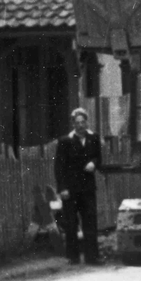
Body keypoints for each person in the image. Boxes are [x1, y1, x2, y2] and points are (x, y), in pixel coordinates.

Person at [53, 107, 104, 265]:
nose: (80, 125)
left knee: (90, 221)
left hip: (88, 188)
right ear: (73, 124)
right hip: (71, 188)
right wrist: (62, 189)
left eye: (83, 122)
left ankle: (92, 257)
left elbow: (99, 158)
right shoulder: (65, 141)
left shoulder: (94, 138)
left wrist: (93, 163)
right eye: (77, 123)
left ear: (87, 122)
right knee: (71, 223)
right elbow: (59, 167)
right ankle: (73, 257)